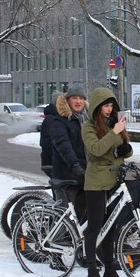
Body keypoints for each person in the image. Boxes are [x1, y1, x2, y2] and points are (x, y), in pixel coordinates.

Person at [81, 87, 133, 277]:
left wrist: (125, 149)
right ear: (97, 107)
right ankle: (92, 272)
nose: (109, 109)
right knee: (94, 228)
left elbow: (118, 150)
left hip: (114, 180)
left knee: (111, 226)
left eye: (111, 105)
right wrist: (115, 134)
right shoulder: (88, 127)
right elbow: (96, 150)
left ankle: (110, 268)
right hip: (96, 183)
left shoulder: (114, 124)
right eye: (105, 106)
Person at [49, 87, 88, 220]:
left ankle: (75, 239)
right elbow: (63, 145)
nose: (78, 101)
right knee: (63, 216)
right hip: (67, 175)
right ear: (67, 101)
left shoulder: (86, 120)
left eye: (81, 98)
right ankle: (54, 240)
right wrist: (75, 165)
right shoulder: (59, 121)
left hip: (84, 175)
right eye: (74, 98)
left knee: (83, 214)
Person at [38, 102, 59, 177]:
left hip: (49, 158)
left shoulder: (51, 118)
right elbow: (48, 141)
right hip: (51, 160)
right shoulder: (52, 119)